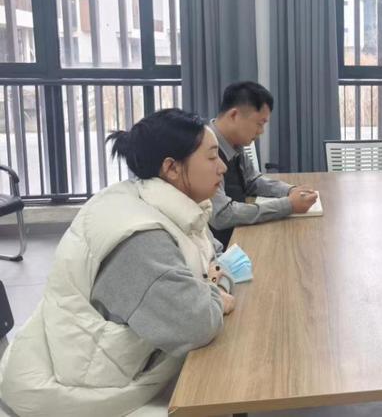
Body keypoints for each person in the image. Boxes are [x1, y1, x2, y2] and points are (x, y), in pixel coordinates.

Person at [0, 109, 235, 417]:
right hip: (78, 390)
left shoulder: (167, 202)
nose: (222, 167)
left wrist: (211, 287)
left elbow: (214, 258)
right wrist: (217, 292)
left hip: (96, 364)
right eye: (212, 157)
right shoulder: (141, 240)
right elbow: (196, 323)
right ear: (171, 168)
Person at [208, 81, 317, 247]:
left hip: (239, 233)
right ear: (234, 115)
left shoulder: (234, 143)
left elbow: (252, 180)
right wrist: (288, 205)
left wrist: (289, 191)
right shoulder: (204, 148)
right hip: (220, 246)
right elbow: (222, 215)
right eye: (259, 124)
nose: (261, 131)